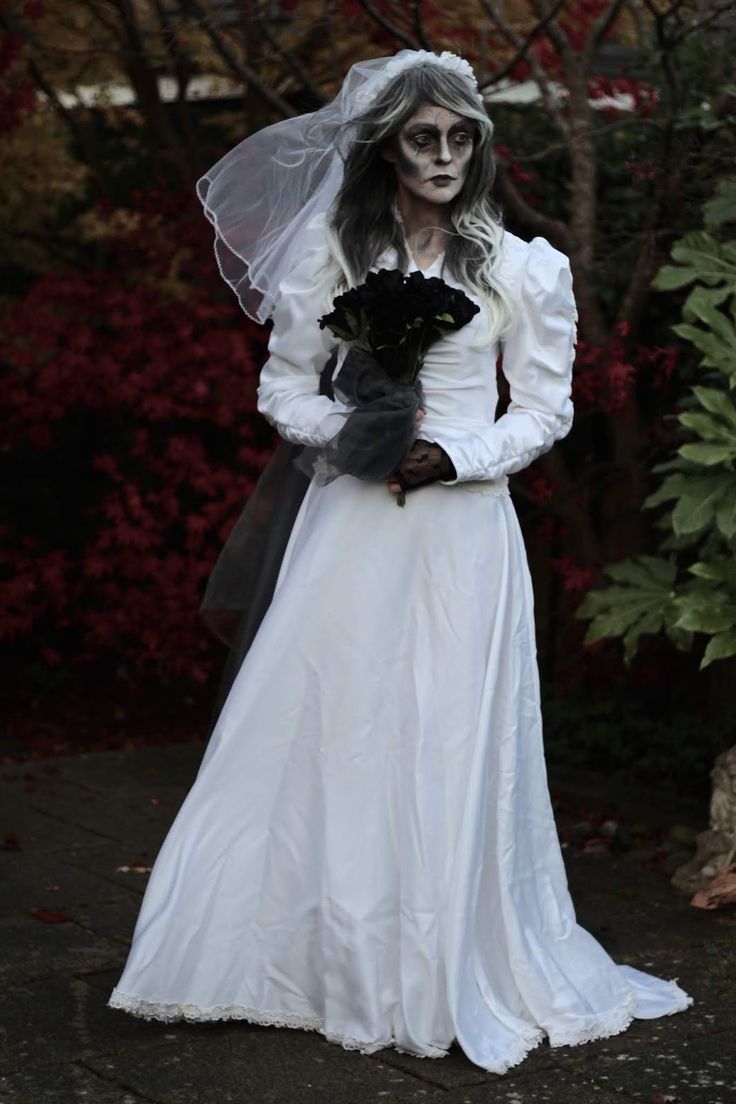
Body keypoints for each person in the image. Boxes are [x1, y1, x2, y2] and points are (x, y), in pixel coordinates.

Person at [107, 49, 692, 1074]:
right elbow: (285, 390)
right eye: (424, 136)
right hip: (348, 527)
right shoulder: (329, 258)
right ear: (385, 146)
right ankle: (288, 962)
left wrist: (455, 454)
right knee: (317, 723)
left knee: (442, 733)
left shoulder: (522, 268)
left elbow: (545, 408)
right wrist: (352, 433)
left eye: (462, 136)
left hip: (460, 536)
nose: (445, 154)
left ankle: (431, 967)